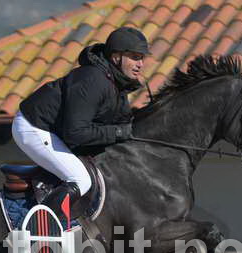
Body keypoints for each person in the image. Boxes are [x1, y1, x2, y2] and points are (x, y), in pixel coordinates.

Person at [13, 26, 150, 226]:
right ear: (116, 57)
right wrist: (119, 132)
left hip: (57, 130)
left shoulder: (116, 84)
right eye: (135, 57)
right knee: (80, 180)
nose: (140, 64)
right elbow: (76, 133)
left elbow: (123, 125)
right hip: (34, 127)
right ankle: (37, 230)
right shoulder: (93, 80)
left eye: (142, 58)